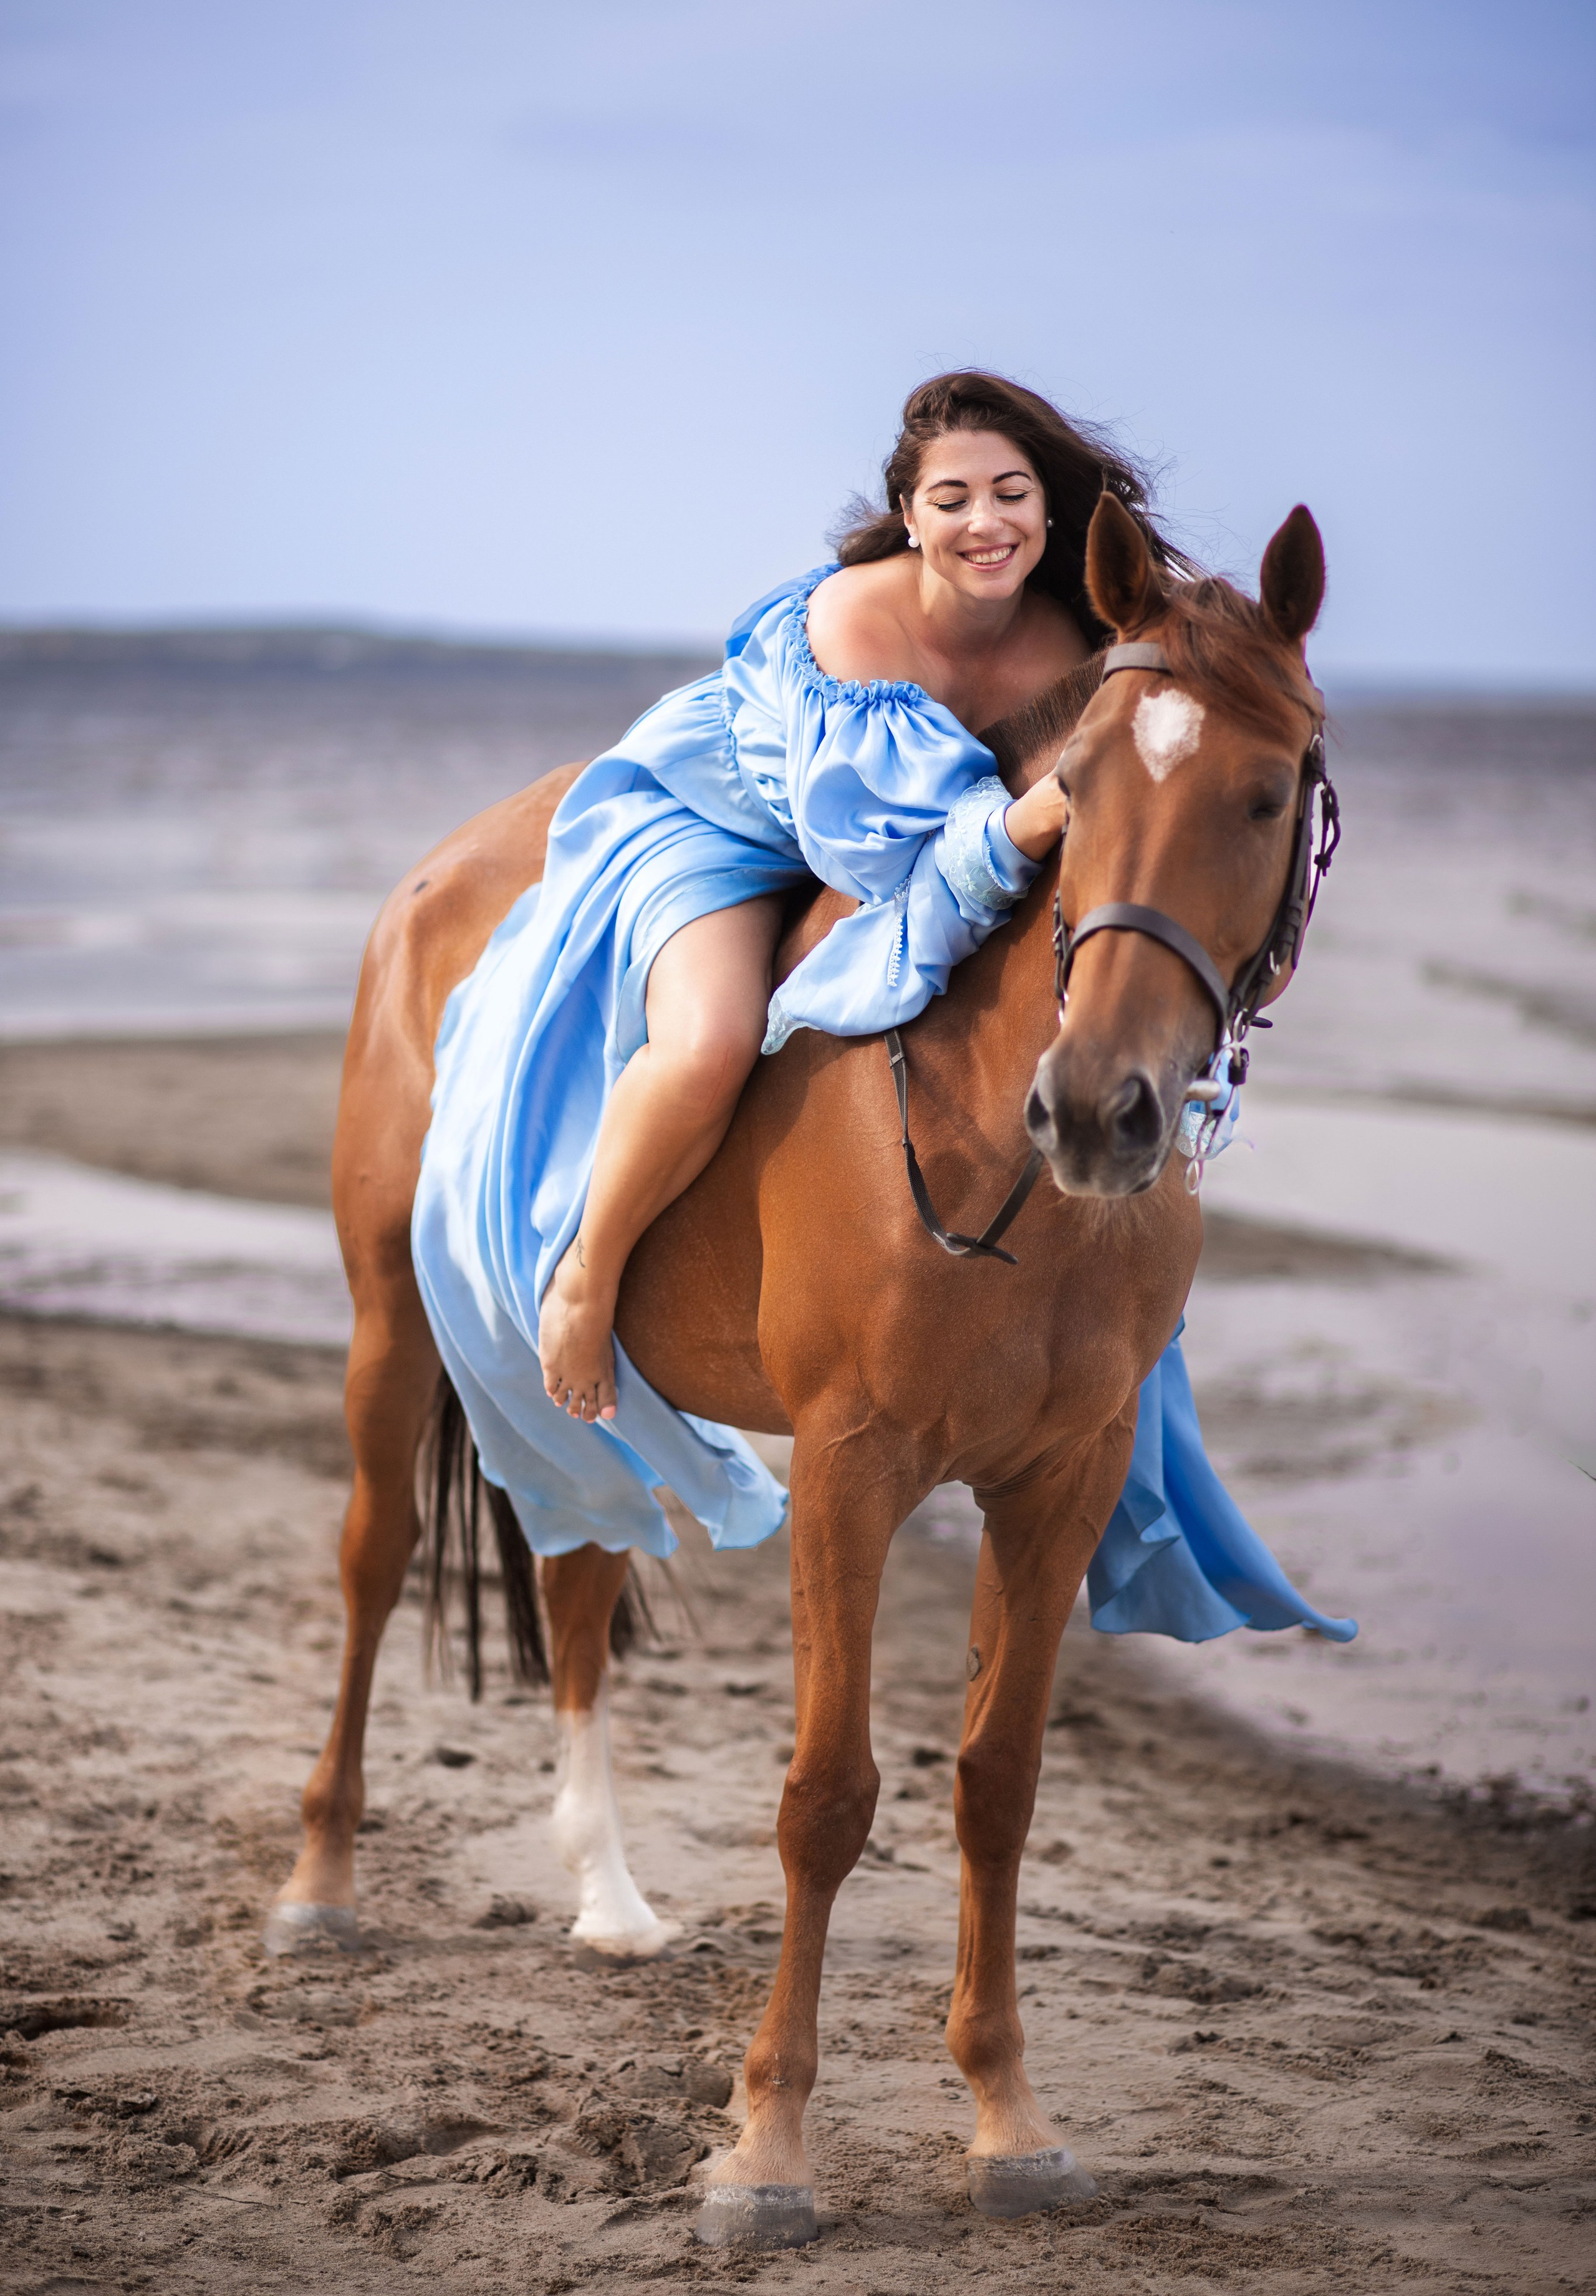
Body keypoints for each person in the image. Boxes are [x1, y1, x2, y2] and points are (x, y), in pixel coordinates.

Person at [409, 372, 1352, 1651]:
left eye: (1009, 495)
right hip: (736, 825)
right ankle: (584, 1278)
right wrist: (1034, 816)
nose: (983, 522)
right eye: (950, 498)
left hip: (914, 850)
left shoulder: (1077, 637)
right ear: (907, 516)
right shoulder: (856, 623)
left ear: (1048, 511)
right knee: (707, 1040)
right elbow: (872, 852)